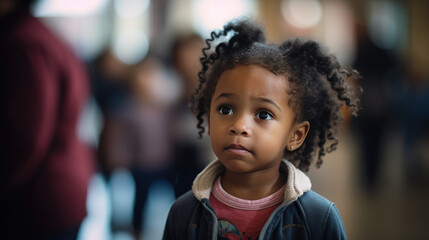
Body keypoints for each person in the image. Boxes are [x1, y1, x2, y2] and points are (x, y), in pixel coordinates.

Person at [163, 19, 361, 240]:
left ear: (295, 135)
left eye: (263, 114)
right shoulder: (183, 214)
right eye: (226, 109)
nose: (239, 126)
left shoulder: (318, 218)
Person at [0, 0, 94, 239]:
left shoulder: (23, 41)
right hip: (57, 191)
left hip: (38, 200)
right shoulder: (42, 35)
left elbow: (25, 137)